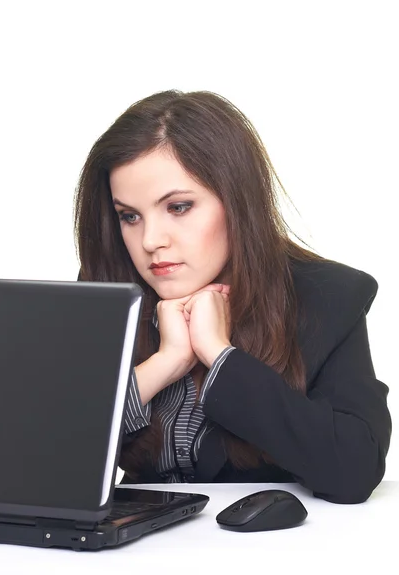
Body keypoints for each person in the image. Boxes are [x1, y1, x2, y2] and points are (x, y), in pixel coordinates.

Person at [73, 90, 392, 504]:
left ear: (237, 202)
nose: (150, 241)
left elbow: (355, 469)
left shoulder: (327, 297)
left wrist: (220, 355)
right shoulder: (109, 293)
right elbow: (41, 455)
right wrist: (164, 364)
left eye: (179, 207)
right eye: (129, 216)